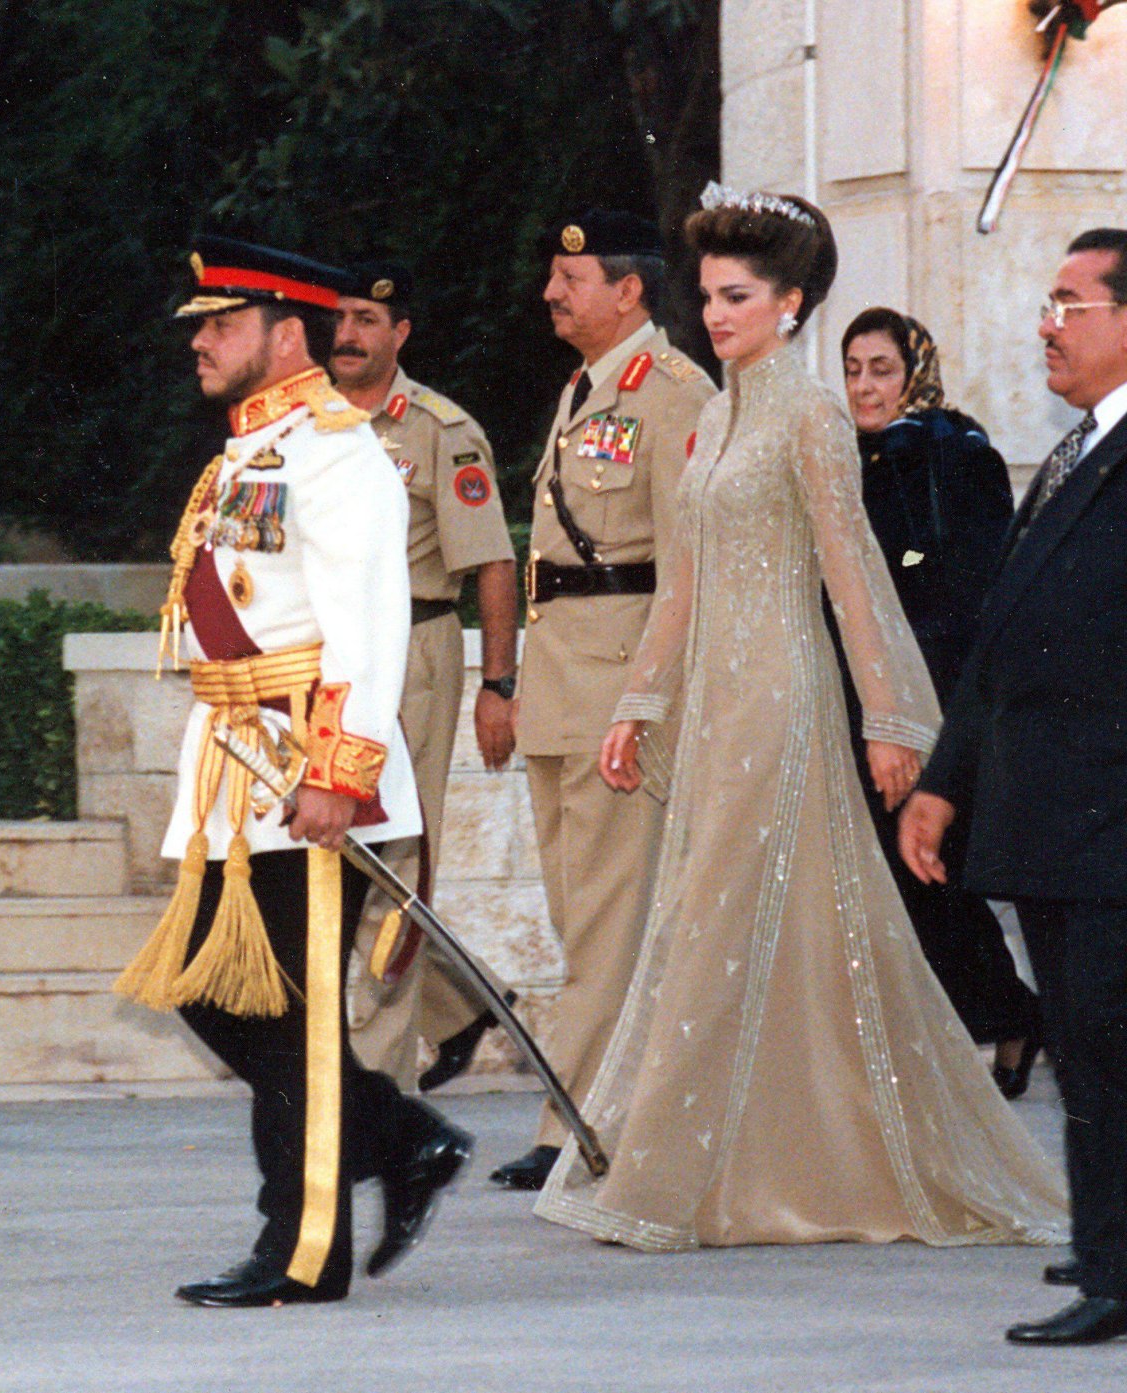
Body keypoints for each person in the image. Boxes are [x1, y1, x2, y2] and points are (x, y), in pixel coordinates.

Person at [535, 185, 1067, 1255]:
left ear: (789, 306)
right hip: (712, 704)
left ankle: (673, 1176)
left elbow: (854, 573)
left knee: (723, 918)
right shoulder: (720, 412)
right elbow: (677, 586)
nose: (716, 311)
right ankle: (718, 1162)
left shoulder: (812, 415)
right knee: (713, 922)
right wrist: (638, 701)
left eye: (738, 296)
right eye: (709, 294)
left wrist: (893, 721)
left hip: (782, 694)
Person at [114, 235, 470, 1308]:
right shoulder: (246, 453)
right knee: (218, 994)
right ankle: (400, 1136)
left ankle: (302, 1249)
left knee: (296, 1009)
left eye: (220, 324)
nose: (200, 342)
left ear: (287, 333)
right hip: (232, 766)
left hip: (303, 761)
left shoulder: (339, 452)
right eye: (197, 325)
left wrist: (338, 770)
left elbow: (372, 626)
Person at [901, 227, 1127, 1346]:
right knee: (1085, 1043)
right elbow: (1002, 641)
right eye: (1047, 300)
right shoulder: (1075, 452)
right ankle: (1107, 1244)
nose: (1049, 322)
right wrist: (945, 783)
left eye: (1071, 302)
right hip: (1052, 812)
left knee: (1110, 1039)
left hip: (1111, 812)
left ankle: (1118, 1269)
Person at [492, 209, 715, 1192]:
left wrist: (649, 701)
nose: (552, 292)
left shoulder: (673, 396)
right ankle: (594, 1113)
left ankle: (570, 1127)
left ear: (628, 289)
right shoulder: (585, 389)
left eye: (571, 278)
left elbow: (687, 568)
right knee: (582, 917)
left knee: (608, 926)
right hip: (558, 689)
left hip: (621, 690)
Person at [838, 308, 1042, 1094]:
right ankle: (1006, 1015)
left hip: (933, 700)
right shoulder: (854, 456)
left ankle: (1008, 1014)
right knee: (917, 879)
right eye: (853, 367)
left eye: (881, 368)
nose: (865, 385)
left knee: (929, 872)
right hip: (869, 696)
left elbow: (971, 575)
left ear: (914, 369)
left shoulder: (952, 449)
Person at [329, 260, 520, 1094]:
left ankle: (379, 1085)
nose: (349, 335)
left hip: (415, 651)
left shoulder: (441, 430)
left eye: (367, 321)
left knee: (395, 854)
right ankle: (456, 1006)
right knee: (339, 852)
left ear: (399, 334)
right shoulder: (310, 426)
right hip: (332, 661)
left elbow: (493, 563)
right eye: (337, 319)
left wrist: (498, 683)